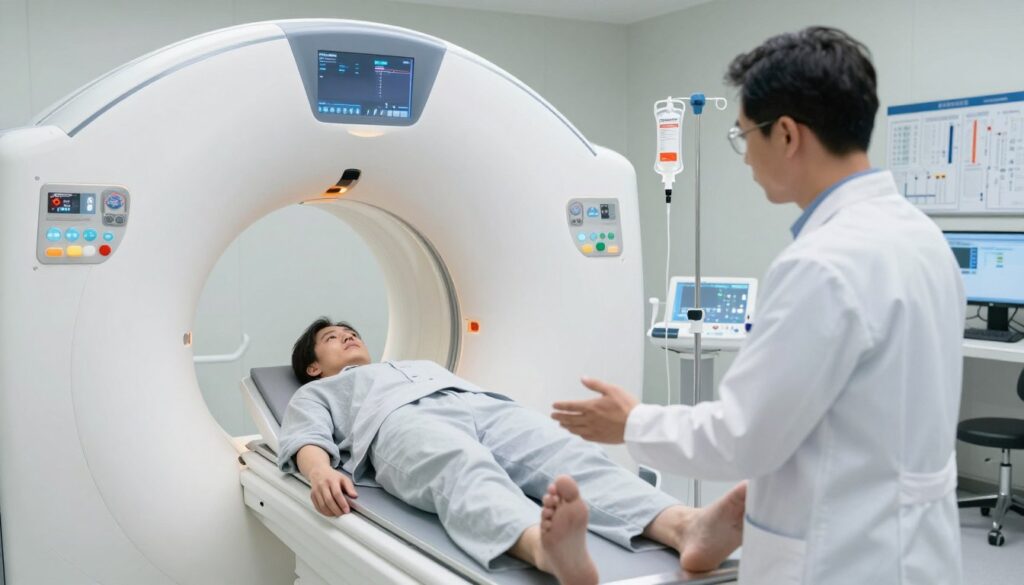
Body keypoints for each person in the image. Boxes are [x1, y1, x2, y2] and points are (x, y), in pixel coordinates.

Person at [551, 26, 965, 585]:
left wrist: (632, 423)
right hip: (914, 548)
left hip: (838, 559)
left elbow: (742, 436)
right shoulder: (921, 237)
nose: (744, 155)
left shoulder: (821, 265)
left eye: (744, 134)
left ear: (788, 134)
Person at [278, 317, 746, 585]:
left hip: (482, 406)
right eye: (332, 337)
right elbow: (306, 440)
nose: (347, 335)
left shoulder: (415, 363)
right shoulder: (319, 393)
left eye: (351, 330)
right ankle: (545, 548)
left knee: (567, 454)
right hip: (396, 424)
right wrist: (320, 473)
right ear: (314, 366)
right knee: (461, 468)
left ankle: (685, 526)